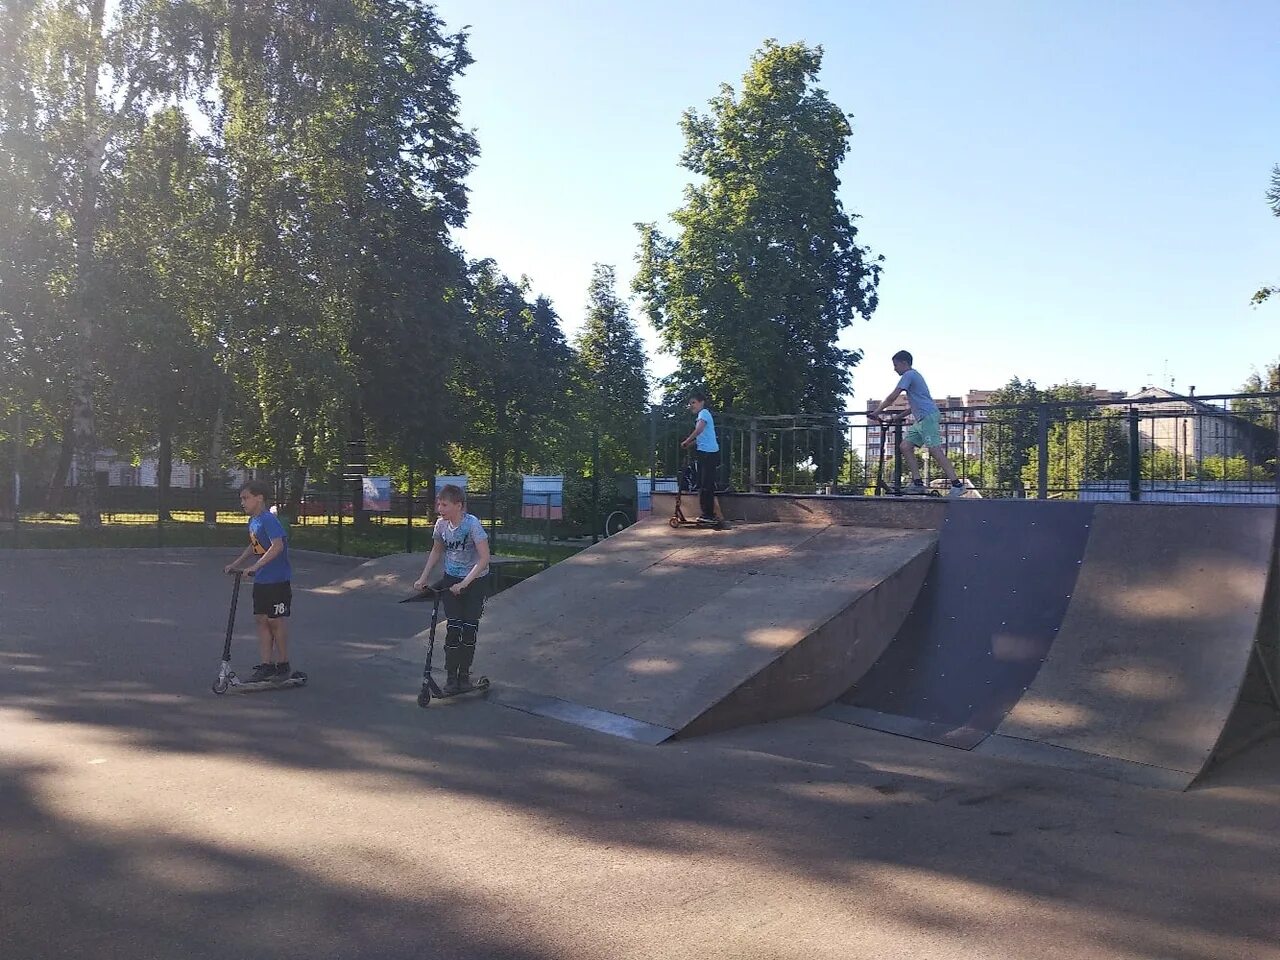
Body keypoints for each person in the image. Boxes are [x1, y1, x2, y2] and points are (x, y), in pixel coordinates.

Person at [413, 484, 491, 695]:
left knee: (469, 629)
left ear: (459, 506)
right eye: (439, 503)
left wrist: (465, 583)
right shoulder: (440, 525)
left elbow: (484, 558)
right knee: (453, 628)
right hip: (451, 580)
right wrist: (423, 578)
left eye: (444, 504)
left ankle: (464, 677)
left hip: (474, 582)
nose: (440, 508)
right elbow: (436, 552)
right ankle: (450, 678)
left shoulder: (472, 524)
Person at [223, 481, 295, 681]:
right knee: (261, 620)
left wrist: (255, 567)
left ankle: (283, 663)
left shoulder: (268, 519)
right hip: (262, 580)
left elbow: (277, 546)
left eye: (246, 498)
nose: (242, 503)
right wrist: (236, 564)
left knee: (275, 620)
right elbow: (254, 546)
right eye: (241, 499)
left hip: (277, 579)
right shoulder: (253, 521)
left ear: (259, 498)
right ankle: (266, 665)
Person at [871, 350, 965, 497]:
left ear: (904, 363)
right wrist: (897, 418)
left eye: (895, 365)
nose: (894, 368)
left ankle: (957, 485)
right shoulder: (914, 377)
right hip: (921, 419)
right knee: (905, 446)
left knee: (934, 450)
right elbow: (915, 405)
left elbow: (893, 397)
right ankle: (917, 483)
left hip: (928, 417)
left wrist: (877, 411)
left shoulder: (910, 375)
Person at [679, 390, 721, 523]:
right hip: (708, 453)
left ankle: (708, 515)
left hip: (708, 454)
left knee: (705, 484)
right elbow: (701, 437)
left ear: (701, 402)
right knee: (705, 483)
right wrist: (689, 444)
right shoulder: (705, 415)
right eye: (690, 403)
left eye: (693, 403)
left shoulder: (703, 413)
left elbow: (699, 430)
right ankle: (708, 513)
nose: (691, 405)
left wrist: (686, 440)